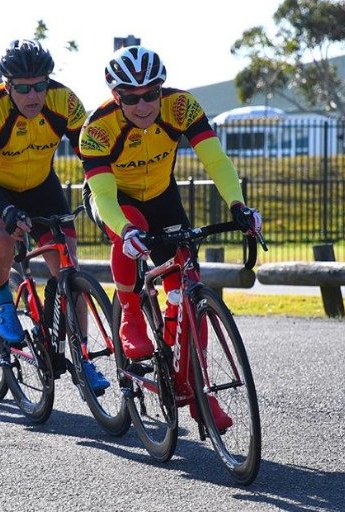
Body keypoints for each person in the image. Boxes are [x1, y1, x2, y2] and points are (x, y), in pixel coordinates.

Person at [81, 45, 262, 430]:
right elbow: (104, 196)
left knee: (188, 284)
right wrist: (126, 230)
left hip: (163, 197)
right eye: (131, 97)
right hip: (116, 199)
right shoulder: (98, 128)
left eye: (152, 94)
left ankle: (198, 393)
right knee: (127, 233)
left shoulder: (181, 106)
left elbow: (216, 160)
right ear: (117, 96)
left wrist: (238, 205)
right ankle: (130, 313)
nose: (144, 104)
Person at [0, 39, 109, 391]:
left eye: (40, 86)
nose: (33, 96)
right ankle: (1, 296)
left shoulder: (64, 101)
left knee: (69, 269)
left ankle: (81, 357)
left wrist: (98, 190)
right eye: (23, 88)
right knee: (0, 234)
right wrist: (6, 211)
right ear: (7, 85)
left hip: (41, 186)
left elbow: (91, 155)